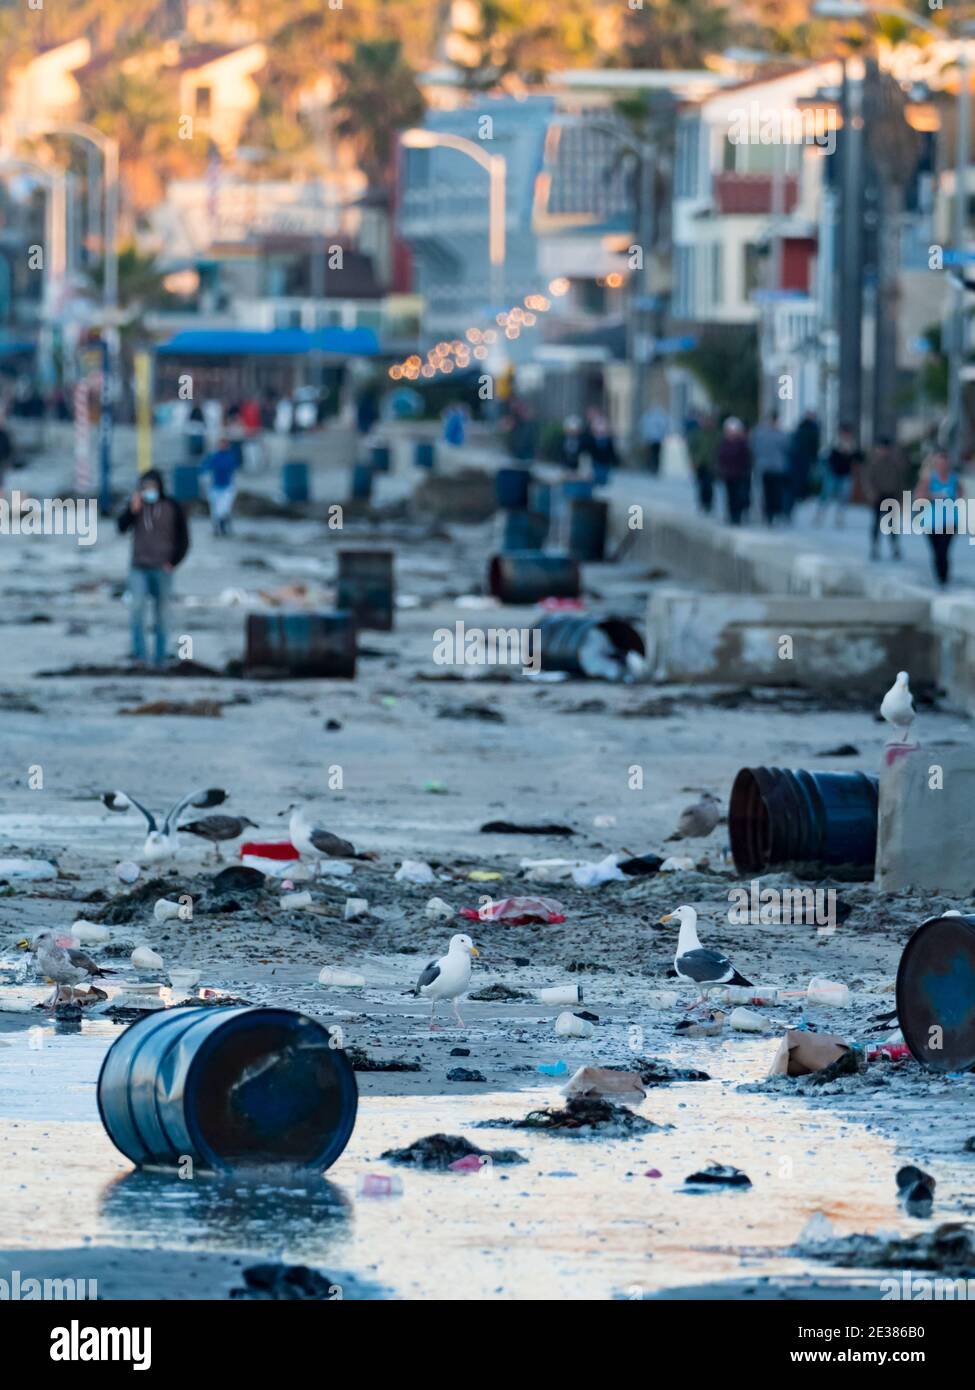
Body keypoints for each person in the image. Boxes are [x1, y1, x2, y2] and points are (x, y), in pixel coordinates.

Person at [117, 470, 189, 668]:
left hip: (162, 569)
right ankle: (140, 655)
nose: (149, 491)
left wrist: (173, 562)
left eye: (152, 487)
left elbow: (184, 539)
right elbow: (121, 527)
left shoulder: (172, 506)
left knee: (162, 615)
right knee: (137, 610)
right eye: (145, 487)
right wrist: (132, 510)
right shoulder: (137, 506)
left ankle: (160, 658)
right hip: (138, 567)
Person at [916, 448, 964, 586]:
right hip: (932, 522)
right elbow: (919, 495)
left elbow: (961, 493)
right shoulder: (929, 478)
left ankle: (944, 578)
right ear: (936, 464)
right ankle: (939, 577)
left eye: (945, 464)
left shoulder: (954, 479)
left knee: (944, 550)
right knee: (937, 552)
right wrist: (935, 496)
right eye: (939, 463)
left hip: (950, 521)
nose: (942, 466)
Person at [862, 436, 910, 561]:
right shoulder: (873, 462)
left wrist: (901, 498)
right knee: (876, 524)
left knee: (892, 525)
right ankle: (875, 548)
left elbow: (900, 481)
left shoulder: (895, 462)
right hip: (878, 496)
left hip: (891, 496)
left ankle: (895, 548)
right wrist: (871, 493)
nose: (884, 451)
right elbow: (867, 479)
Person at [817, 423, 862, 527]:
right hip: (833, 474)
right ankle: (820, 515)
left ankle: (840, 517)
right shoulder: (835, 445)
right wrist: (841, 453)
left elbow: (860, 459)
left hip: (846, 475)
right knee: (826, 495)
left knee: (844, 497)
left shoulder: (853, 446)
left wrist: (852, 452)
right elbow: (829, 460)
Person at [750, 411, 791, 525]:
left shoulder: (780, 434)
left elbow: (787, 448)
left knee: (776, 493)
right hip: (765, 467)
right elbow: (754, 448)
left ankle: (774, 513)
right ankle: (768, 514)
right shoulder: (760, 434)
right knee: (766, 493)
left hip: (777, 468)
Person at [200, 436, 242, 536]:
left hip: (226, 488)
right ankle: (217, 529)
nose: (223, 446)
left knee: (224, 509)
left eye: (224, 444)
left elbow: (233, 473)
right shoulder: (214, 457)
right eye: (221, 444)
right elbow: (205, 470)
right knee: (215, 511)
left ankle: (225, 528)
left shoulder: (230, 457)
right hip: (215, 488)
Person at [717, 416, 752, 525]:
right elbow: (720, 457)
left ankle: (737, 516)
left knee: (738, 496)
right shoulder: (724, 444)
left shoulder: (742, 444)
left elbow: (747, 459)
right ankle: (732, 515)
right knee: (730, 496)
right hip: (728, 474)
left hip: (740, 474)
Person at [788, 409, 820, 512]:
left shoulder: (801, 427)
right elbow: (814, 445)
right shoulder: (813, 428)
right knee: (803, 478)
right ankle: (802, 495)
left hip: (800, 458)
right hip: (804, 458)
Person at [687, 412, 718, 514]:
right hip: (700, 463)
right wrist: (693, 460)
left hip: (711, 464)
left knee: (709, 484)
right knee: (701, 484)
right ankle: (702, 503)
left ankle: (708, 503)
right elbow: (691, 448)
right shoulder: (697, 433)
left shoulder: (715, 434)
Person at [639, 405, 669, 475]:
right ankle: (654, 468)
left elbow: (644, 427)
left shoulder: (650, 418)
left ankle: (653, 468)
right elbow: (664, 427)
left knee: (653, 454)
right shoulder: (660, 418)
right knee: (656, 455)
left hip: (653, 439)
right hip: (656, 439)